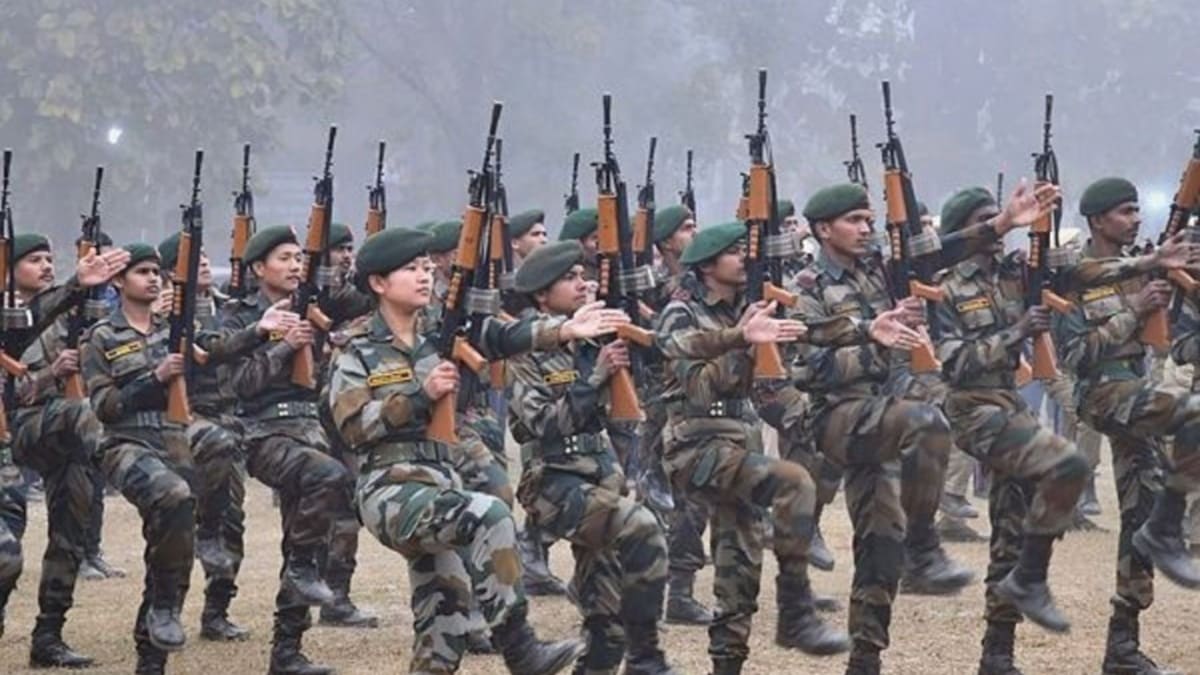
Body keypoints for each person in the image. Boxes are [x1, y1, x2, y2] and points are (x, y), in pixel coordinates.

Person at [328, 227, 620, 673]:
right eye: (411, 269)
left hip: (441, 485)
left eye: (427, 267)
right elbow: (353, 429)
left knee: (444, 627)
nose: (425, 276)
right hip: (390, 491)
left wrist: (564, 329)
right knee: (489, 513)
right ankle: (521, 649)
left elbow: (506, 336)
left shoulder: (444, 331)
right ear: (378, 283)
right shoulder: (357, 348)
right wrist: (419, 397)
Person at [1062, 177, 1200, 674]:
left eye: (1137, 210)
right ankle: (1167, 528)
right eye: (1124, 212)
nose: (1135, 219)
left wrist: (1183, 279)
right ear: (1097, 220)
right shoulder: (1074, 274)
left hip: (1138, 395)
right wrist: (1134, 311)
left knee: (1139, 515)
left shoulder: (1150, 263)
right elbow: (1074, 355)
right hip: (1103, 393)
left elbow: (1181, 336)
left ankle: (1121, 646)